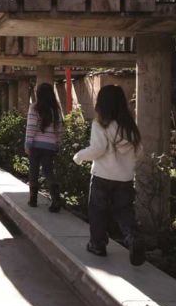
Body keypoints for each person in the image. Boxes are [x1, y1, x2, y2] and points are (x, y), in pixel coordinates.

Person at [73, 84, 146, 266]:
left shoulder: (100, 124)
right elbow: (140, 153)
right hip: (125, 179)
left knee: (98, 212)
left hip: (102, 177)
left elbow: (97, 149)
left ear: (101, 104)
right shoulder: (130, 127)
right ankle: (132, 237)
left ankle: (97, 245)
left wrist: (79, 156)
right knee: (124, 211)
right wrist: (128, 165)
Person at [24, 83, 64, 212]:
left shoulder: (34, 108)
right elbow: (59, 129)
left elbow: (31, 127)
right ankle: (56, 199)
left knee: (33, 171)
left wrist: (28, 144)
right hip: (50, 146)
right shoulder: (56, 109)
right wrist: (57, 144)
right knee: (49, 172)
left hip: (35, 146)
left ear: (38, 94)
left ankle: (33, 200)